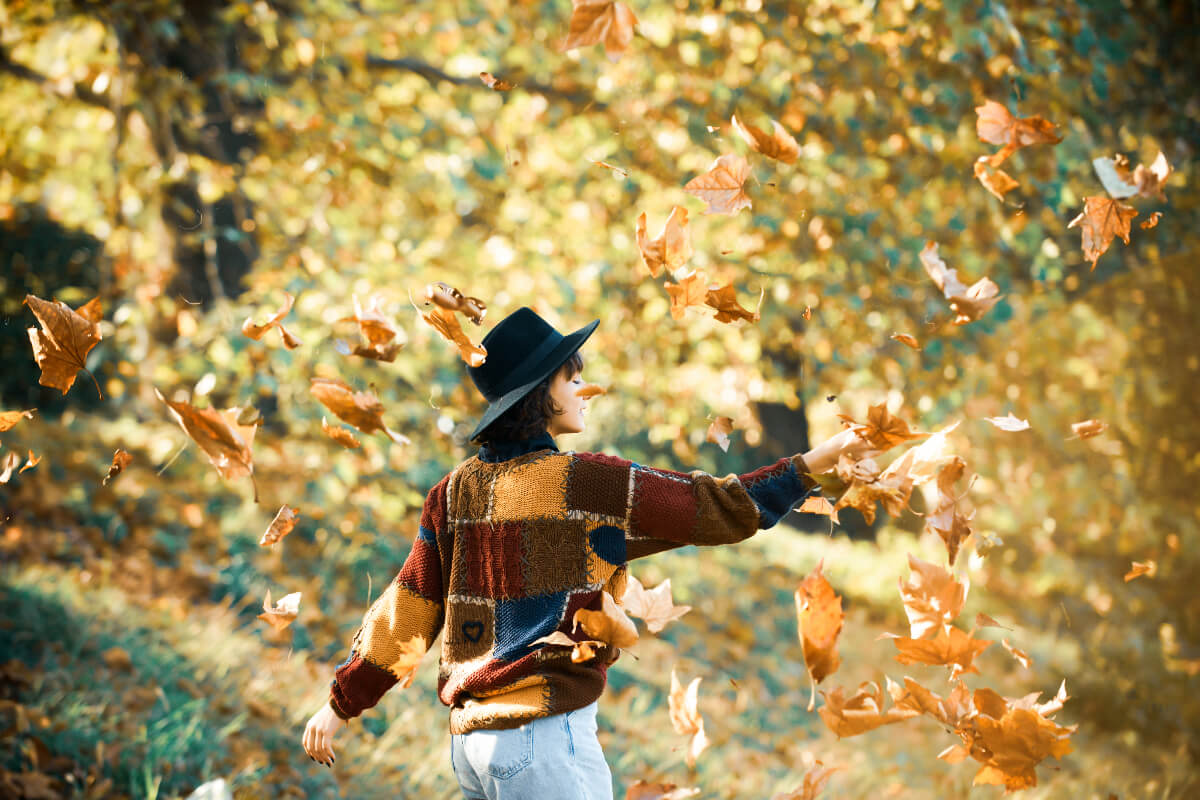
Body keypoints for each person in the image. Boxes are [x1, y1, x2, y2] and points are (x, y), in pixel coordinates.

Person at [302, 306, 875, 799]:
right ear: (540, 395)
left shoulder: (452, 495)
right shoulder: (585, 483)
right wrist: (811, 465)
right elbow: (710, 508)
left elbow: (408, 610)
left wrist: (341, 703)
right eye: (571, 379)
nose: (583, 390)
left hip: (473, 751)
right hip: (542, 740)